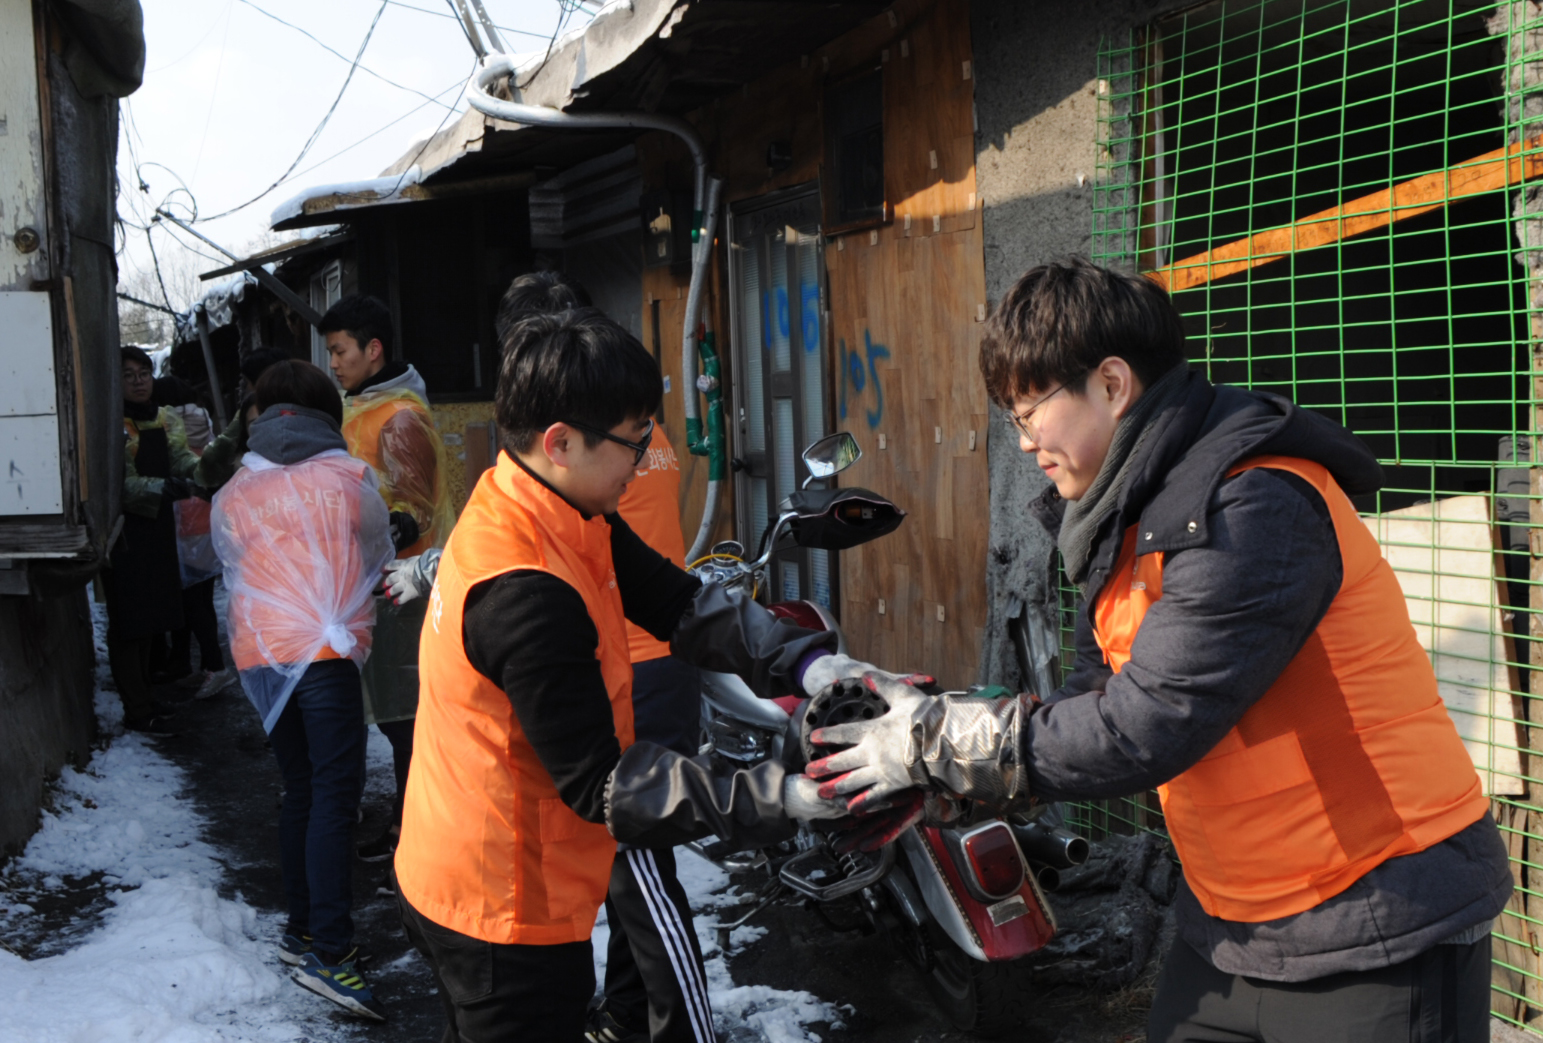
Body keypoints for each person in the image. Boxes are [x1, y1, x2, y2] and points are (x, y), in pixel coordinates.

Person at [805, 258, 1514, 1043]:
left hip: (1379, 916)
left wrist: (938, 739)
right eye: (1011, 417)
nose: (1022, 443)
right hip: (1235, 919)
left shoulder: (1254, 501)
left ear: (1110, 384)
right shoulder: (1120, 522)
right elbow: (1086, 702)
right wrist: (963, 782)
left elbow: (1150, 721)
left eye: (1029, 409)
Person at [392, 308, 916, 1042]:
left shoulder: (543, 500)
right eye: (633, 444)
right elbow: (604, 787)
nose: (642, 464)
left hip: (460, 853)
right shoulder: (524, 589)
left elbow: (677, 599)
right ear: (560, 440)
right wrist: (791, 795)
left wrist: (807, 659)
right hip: (502, 905)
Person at [211, 359, 394, 1021]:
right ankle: (332, 953)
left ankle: (303, 931)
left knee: (301, 787)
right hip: (325, 652)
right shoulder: (349, 479)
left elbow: (225, 563)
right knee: (334, 796)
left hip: (261, 654)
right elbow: (377, 556)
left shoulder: (236, 487)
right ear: (326, 412)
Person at [319, 295, 452, 864]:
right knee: (397, 719)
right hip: (372, 585)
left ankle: (415, 834)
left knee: (407, 721)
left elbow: (415, 512)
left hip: (403, 590)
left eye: (340, 350)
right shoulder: (361, 406)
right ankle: (411, 825)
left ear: (373, 350)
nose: (333, 363)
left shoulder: (400, 418)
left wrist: (370, 531)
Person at [106, 346, 200, 732]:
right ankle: (137, 708)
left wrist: (204, 470)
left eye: (144, 372)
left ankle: (145, 693)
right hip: (125, 533)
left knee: (152, 619)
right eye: (128, 375)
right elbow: (121, 485)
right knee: (129, 621)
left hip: (159, 531)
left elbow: (183, 460)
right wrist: (169, 487)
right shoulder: (114, 425)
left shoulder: (164, 420)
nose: (138, 381)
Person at [151, 375, 233, 700]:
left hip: (184, 521)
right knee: (200, 600)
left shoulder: (168, 422)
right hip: (205, 519)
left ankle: (215, 667)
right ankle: (191, 666)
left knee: (191, 602)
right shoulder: (202, 418)